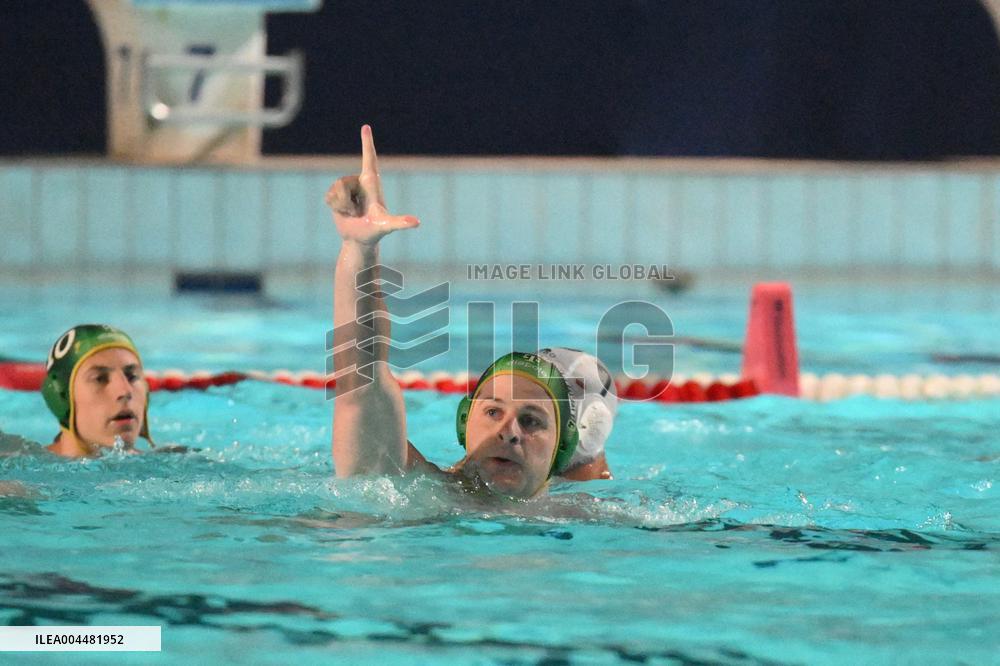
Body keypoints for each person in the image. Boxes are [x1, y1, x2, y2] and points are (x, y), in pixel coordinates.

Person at [327, 126, 616, 498]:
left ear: (562, 448)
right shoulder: (412, 489)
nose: (509, 431)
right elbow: (360, 382)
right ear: (465, 423)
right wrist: (359, 251)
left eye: (531, 421)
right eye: (493, 412)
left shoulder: (591, 521)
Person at [42, 324, 152, 458]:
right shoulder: (19, 474)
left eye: (132, 376)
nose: (125, 391)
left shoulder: (167, 468)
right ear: (61, 397)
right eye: (100, 379)